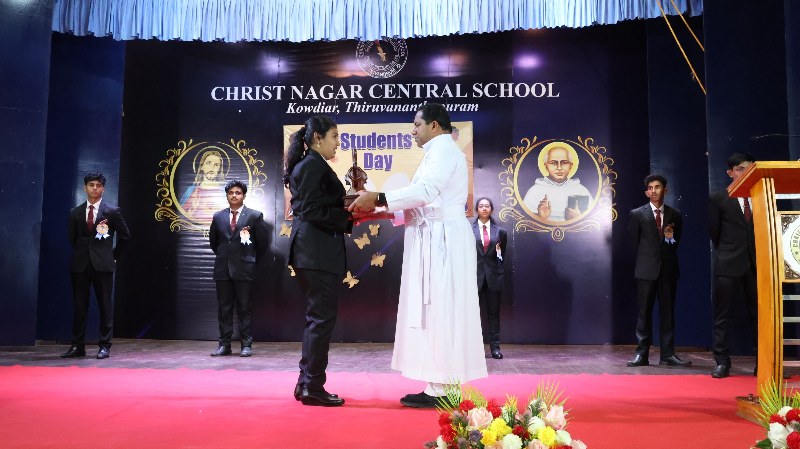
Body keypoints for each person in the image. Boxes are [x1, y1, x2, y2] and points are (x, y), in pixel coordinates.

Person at [349, 103, 488, 408]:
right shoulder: (437, 151)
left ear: (434, 125)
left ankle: (444, 388)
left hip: (443, 240)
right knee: (435, 310)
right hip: (434, 235)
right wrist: (379, 212)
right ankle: (440, 384)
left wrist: (379, 198)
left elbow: (425, 193)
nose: (413, 131)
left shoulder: (443, 150)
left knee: (442, 309)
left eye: (417, 125)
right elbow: (422, 202)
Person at [285, 115, 352, 407]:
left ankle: (305, 383)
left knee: (316, 320)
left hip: (312, 252)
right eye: (334, 137)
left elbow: (313, 207)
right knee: (321, 320)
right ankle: (313, 386)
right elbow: (312, 211)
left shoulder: (309, 164)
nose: (338, 143)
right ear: (317, 138)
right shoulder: (312, 165)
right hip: (316, 252)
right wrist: (348, 216)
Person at [62, 172, 131, 359]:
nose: (95, 188)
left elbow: (125, 236)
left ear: (103, 189)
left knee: (105, 306)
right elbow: (73, 238)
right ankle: (77, 346)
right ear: (85, 188)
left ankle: (105, 345)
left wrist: (113, 256)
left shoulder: (111, 211)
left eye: (98, 185)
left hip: (103, 265)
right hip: (80, 265)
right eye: (91, 185)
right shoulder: (75, 212)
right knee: (79, 306)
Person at [626, 174, 691, 368]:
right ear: (646, 192)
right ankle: (642, 354)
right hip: (646, 270)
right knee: (644, 313)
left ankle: (668, 355)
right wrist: (647, 260)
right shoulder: (638, 214)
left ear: (665, 190)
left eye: (657, 187)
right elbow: (633, 243)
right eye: (650, 188)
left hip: (668, 270)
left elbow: (674, 241)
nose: (653, 191)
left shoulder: (674, 215)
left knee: (667, 313)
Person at [708, 152, 758, 379]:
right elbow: (715, 232)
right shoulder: (719, 198)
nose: (745, 172)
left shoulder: (760, 195)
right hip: (728, 263)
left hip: (757, 265)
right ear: (730, 172)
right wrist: (729, 252)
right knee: (723, 315)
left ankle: (763, 361)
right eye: (740, 169)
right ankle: (722, 362)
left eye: (748, 167)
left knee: (759, 315)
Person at [208, 179, 268, 358]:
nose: (234, 196)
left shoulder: (254, 216)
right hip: (222, 269)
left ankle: (246, 345)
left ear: (244, 195)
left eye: (238, 193)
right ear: (227, 195)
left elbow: (262, 244)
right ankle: (224, 345)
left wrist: (249, 260)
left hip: (244, 269)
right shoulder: (218, 216)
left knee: (244, 308)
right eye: (231, 193)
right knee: (224, 309)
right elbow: (214, 243)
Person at [473, 197, 507, 359]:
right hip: (473, 278)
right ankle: (473, 349)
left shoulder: (500, 232)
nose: (484, 208)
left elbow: (502, 255)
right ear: (477, 210)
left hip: (493, 278)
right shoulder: (468, 230)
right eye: (481, 206)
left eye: (487, 206)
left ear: (492, 209)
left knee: (494, 314)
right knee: (472, 314)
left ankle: (495, 348)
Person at [522, 142, 591, 222]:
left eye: (564, 162)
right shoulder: (535, 191)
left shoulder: (581, 190)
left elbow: (593, 220)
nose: (559, 168)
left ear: (571, 166)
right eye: (553, 163)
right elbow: (524, 221)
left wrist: (578, 218)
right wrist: (540, 217)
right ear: (546, 166)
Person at [181, 150, 227, 222]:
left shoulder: (224, 192)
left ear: (219, 169)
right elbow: (181, 215)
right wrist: (192, 210)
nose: (212, 168)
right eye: (208, 163)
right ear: (202, 166)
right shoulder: (192, 190)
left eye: (216, 165)